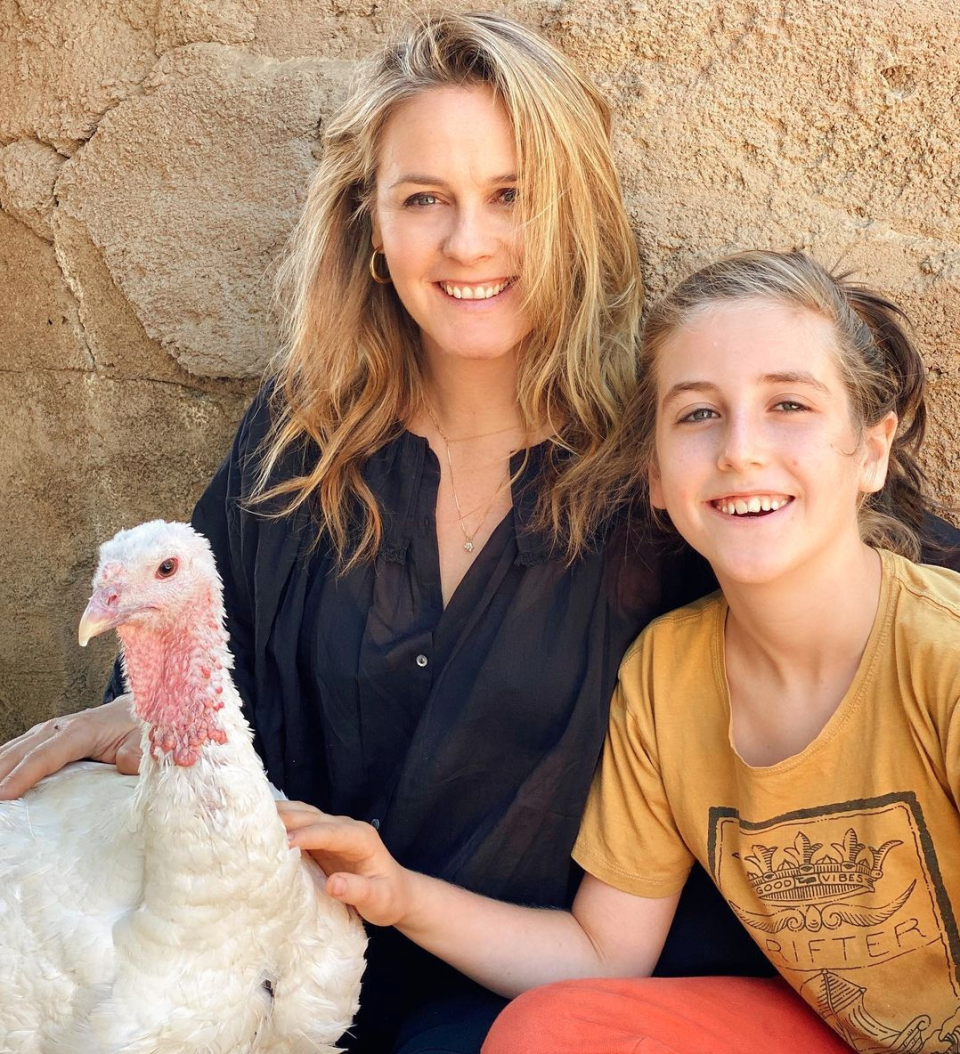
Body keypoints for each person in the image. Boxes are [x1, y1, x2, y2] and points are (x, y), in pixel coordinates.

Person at [0, 14, 774, 1053]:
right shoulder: (293, 441)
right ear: (371, 223)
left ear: (576, 213)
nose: (469, 243)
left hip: (538, 1008)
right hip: (292, 992)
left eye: (511, 195)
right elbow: (191, 696)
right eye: (425, 200)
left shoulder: (658, 472)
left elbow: (855, 589)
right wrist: (150, 734)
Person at [278, 250, 960, 1053]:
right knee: (548, 1034)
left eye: (789, 404)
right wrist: (398, 893)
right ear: (657, 479)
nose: (740, 449)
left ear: (871, 451)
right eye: (698, 414)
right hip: (844, 1032)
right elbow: (603, 953)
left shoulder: (939, 654)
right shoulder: (666, 676)